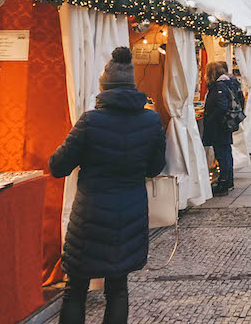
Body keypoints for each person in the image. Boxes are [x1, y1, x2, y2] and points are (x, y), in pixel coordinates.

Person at [49, 46, 165, 324]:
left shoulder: (90, 121)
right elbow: (155, 167)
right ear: (131, 84)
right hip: (131, 214)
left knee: (75, 289)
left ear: (103, 87)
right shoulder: (151, 120)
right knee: (118, 289)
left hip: (91, 215)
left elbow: (58, 166)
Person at [201, 61, 234, 195]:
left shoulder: (219, 86)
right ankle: (227, 181)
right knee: (225, 154)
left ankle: (224, 183)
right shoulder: (225, 84)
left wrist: (209, 118)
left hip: (220, 127)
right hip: (223, 126)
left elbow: (221, 106)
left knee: (222, 155)